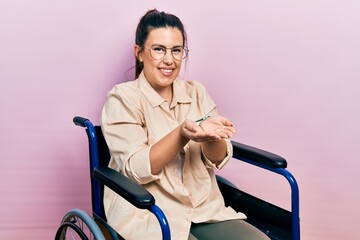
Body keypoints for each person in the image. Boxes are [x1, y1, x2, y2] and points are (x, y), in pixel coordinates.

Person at [101, 9, 270, 240]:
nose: (169, 60)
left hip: (203, 209)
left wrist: (214, 137)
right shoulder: (122, 98)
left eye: (176, 50)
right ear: (139, 53)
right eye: (159, 49)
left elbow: (218, 159)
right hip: (149, 213)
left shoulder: (196, 92)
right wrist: (181, 134)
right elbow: (136, 170)